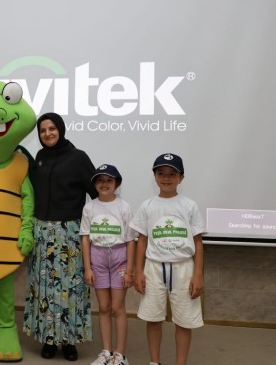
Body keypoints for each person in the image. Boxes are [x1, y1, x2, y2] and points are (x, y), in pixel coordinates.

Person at [23, 112, 97, 362]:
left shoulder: (78, 157)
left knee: (69, 290)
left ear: (61, 130)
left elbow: (96, 195)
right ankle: (48, 339)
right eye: (43, 131)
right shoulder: (40, 157)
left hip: (69, 235)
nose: (47, 134)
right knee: (43, 289)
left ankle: (68, 342)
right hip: (42, 232)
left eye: (52, 129)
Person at [130, 153, 204, 365]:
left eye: (172, 174)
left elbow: (198, 242)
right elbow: (141, 241)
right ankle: (155, 361)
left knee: (183, 321)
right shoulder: (148, 205)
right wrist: (138, 271)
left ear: (181, 177)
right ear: (154, 176)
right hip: (154, 268)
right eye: (161, 173)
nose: (166, 178)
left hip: (184, 269)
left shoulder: (189, 205)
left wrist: (197, 275)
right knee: (153, 319)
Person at [81, 164, 137, 365]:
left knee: (117, 307)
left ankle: (120, 355)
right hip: (98, 259)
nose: (104, 184)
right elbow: (86, 238)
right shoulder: (90, 207)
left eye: (109, 180)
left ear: (117, 184)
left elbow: (131, 240)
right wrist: (88, 268)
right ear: (95, 184)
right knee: (104, 307)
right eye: (100, 180)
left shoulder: (124, 207)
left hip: (120, 259)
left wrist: (130, 270)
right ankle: (106, 352)